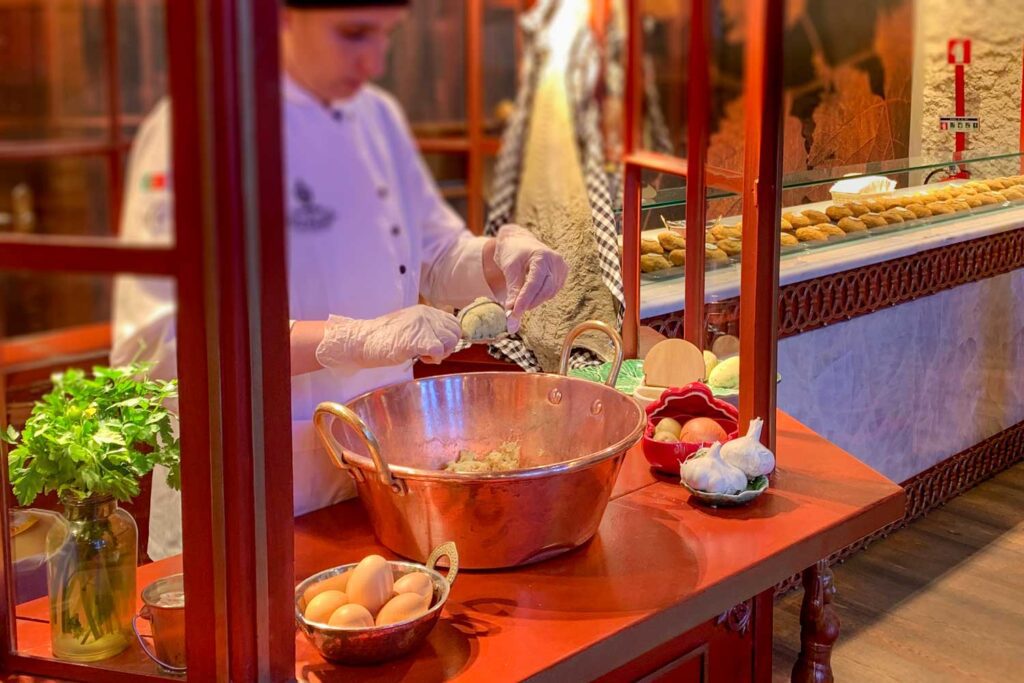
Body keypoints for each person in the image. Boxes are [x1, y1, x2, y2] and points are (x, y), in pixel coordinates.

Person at [112, 0, 568, 560]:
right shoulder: (199, 129)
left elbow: (434, 253)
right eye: (354, 34)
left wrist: (504, 256)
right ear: (279, 18)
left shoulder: (375, 117)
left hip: (386, 477)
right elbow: (154, 349)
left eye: (386, 35)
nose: (374, 61)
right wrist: (352, 341)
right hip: (256, 494)